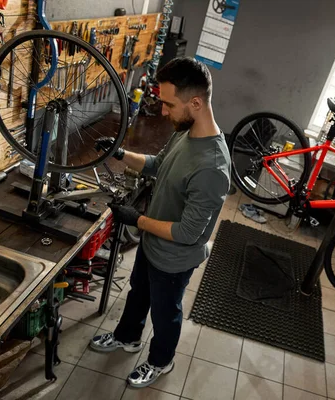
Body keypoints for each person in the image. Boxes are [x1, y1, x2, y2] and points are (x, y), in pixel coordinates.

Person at [88, 57, 231, 388]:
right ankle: (128, 337)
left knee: (165, 314)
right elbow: (158, 164)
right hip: (152, 244)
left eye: (168, 104)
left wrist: (137, 219)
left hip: (175, 258)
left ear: (195, 102)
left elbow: (186, 233)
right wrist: (120, 154)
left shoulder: (212, 167)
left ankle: (160, 361)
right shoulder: (185, 132)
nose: (163, 112)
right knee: (138, 293)